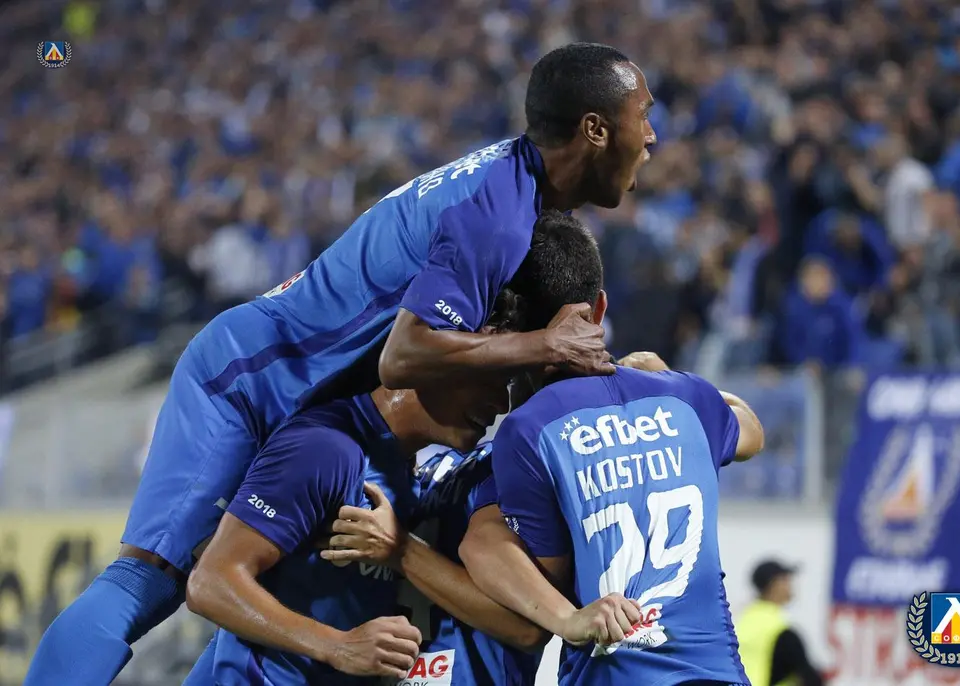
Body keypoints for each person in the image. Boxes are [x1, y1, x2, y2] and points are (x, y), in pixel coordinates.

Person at [26, 42, 657, 685]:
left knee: (273, 574)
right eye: (644, 114)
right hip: (252, 374)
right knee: (152, 579)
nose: (653, 135)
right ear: (595, 129)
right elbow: (405, 355)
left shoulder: (514, 196)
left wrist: (614, 377)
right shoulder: (496, 216)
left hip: (309, 386)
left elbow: (489, 348)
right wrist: (547, 346)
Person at [181, 212, 641, 684]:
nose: (500, 402)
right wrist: (337, 646)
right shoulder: (328, 448)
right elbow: (211, 582)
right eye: (492, 378)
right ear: (441, 365)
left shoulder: (411, 475)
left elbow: (524, 627)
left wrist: (635, 384)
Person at [451, 276, 765, 684]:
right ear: (599, 308)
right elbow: (752, 433)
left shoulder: (531, 429)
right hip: (715, 672)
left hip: (616, 672)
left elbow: (527, 572)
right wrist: (668, 378)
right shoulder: (685, 398)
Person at [321, 351, 672, 686]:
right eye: (501, 379)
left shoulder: (518, 471)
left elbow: (527, 628)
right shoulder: (423, 473)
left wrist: (402, 550)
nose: (502, 403)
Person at [734, 560, 822, 686]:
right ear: (773, 585)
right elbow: (810, 678)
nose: (790, 585)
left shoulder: (742, 621)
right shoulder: (780, 630)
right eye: (785, 580)